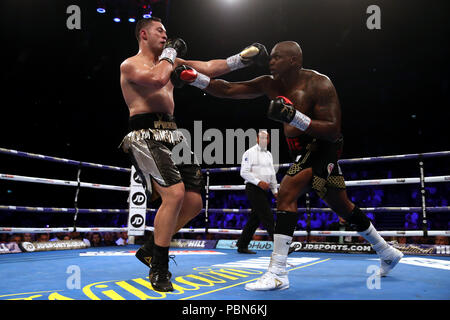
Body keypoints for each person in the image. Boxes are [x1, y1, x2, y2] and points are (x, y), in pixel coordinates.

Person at [172, 40, 403, 291]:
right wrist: (195, 79)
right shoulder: (269, 84)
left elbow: (333, 129)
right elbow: (227, 89)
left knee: (287, 192)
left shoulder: (319, 84)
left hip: (324, 146)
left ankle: (278, 272)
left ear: (294, 60)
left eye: (277, 57)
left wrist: (294, 117)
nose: (270, 61)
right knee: (342, 206)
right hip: (302, 151)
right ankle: (387, 251)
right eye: (270, 57)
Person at [119, 17, 269, 292]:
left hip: (173, 133)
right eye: (159, 30)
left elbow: (211, 68)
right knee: (173, 194)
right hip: (145, 134)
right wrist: (171, 53)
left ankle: (151, 249)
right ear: (143, 34)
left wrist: (244, 59)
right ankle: (159, 267)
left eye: (166, 31)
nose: (165, 34)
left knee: (194, 202)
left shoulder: (171, 61)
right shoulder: (130, 65)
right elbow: (157, 79)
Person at [237, 130, 277, 254]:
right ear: (257, 139)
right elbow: (244, 172)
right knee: (268, 216)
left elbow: (272, 174)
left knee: (255, 218)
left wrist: (275, 190)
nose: (264, 140)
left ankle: (242, 245)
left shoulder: (269, 154)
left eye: (267, 138)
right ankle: (281, 247)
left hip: (265, 190)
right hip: (253, 188)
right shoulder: (250, 153)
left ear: (269, 140)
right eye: (262, 138)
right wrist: (258, 182)